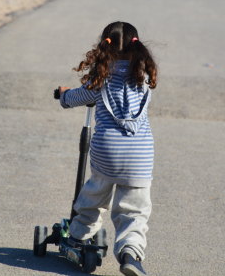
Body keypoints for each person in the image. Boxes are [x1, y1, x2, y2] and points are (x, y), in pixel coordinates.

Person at [57, 21, 158, 276]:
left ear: (105, 46)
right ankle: (130, 254)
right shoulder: (143, 76)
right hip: (140, 155)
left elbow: (78, 97)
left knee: (95, 196)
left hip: (108, 151)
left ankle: (78, 237)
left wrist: (64, 95)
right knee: (135, 210)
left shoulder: (101, 78)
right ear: (137, 47)